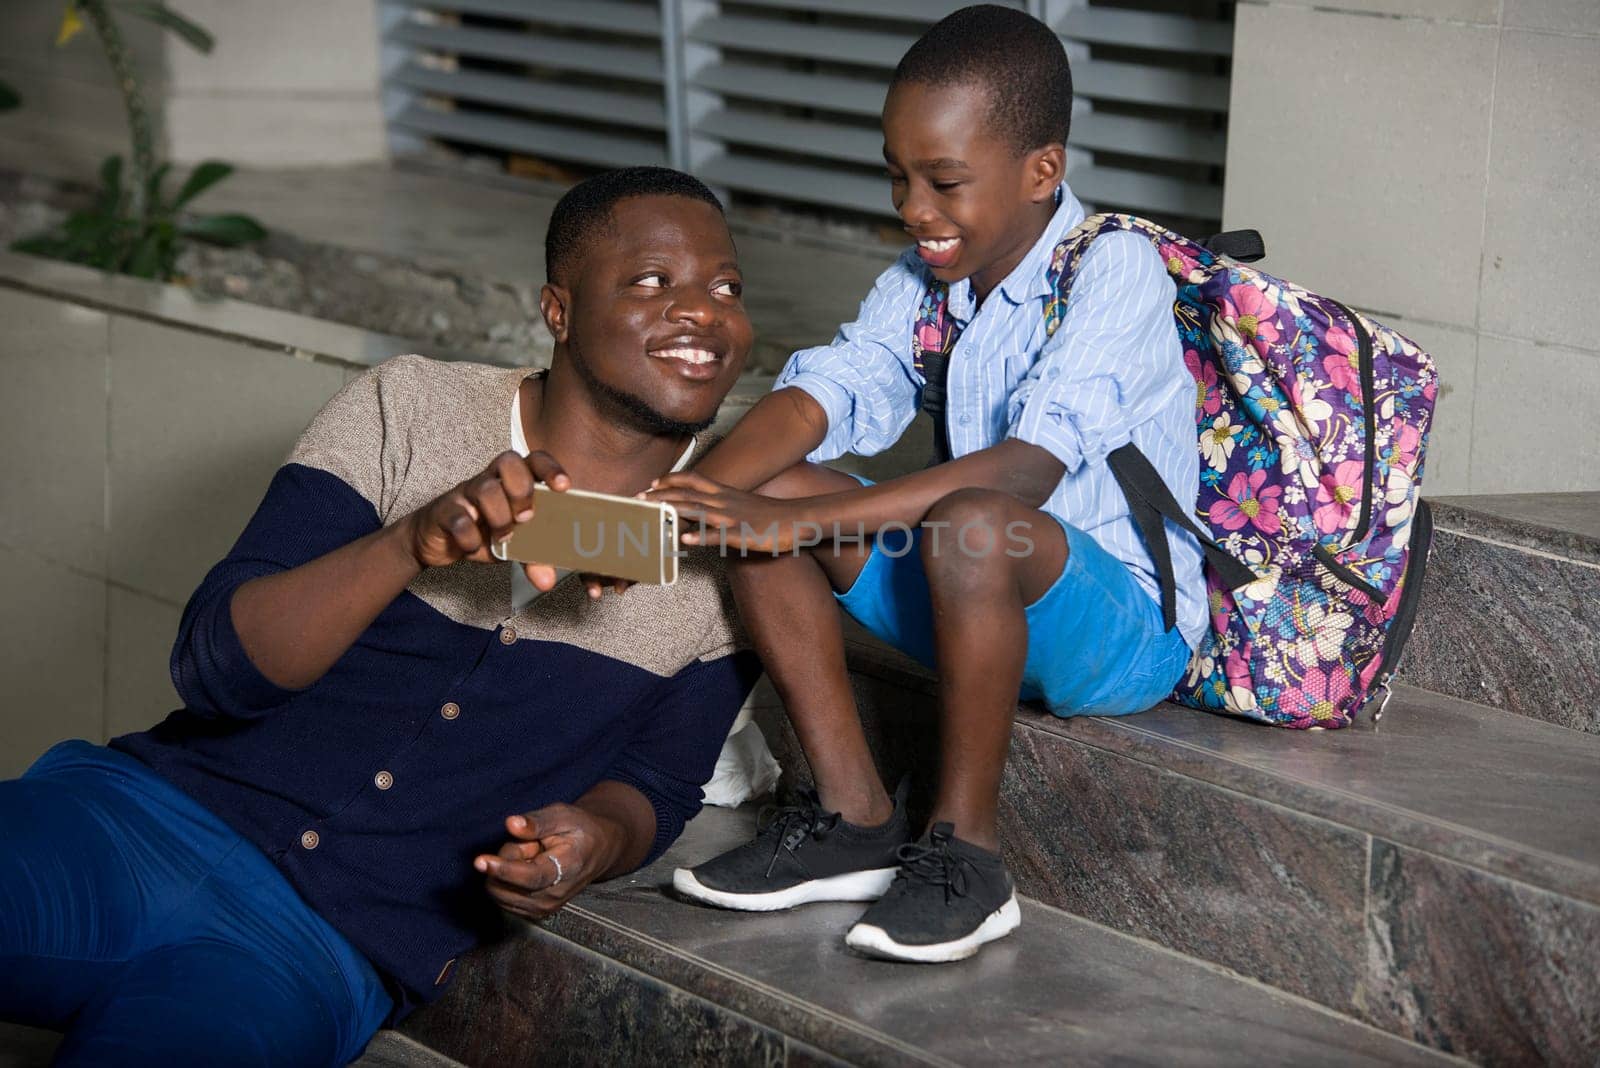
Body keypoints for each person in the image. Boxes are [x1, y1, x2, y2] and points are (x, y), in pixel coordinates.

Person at [0, 167, 761, 1065]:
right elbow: (217, 668)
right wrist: (410, 545)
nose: (702, 311)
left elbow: (658, 785)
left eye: (726, 288)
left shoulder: (733, 541)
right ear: (557, 310)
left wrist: (594, 840)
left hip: (315, 950)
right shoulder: (410, 407)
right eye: (650, 282)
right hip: (136, 826)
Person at [652, 5, 1204, 963]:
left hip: (1119, 634)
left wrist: (801, 522)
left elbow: (1026, 472)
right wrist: (675, 508)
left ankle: (967, 861)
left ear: (1043, 170)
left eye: (944, 181)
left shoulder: (1116, 267)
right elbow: (817, 400)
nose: (913, 209)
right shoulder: (923, 281)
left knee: (969, 522)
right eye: (899, 178)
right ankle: (854, 820)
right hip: (967, 597)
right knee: (774, 494)